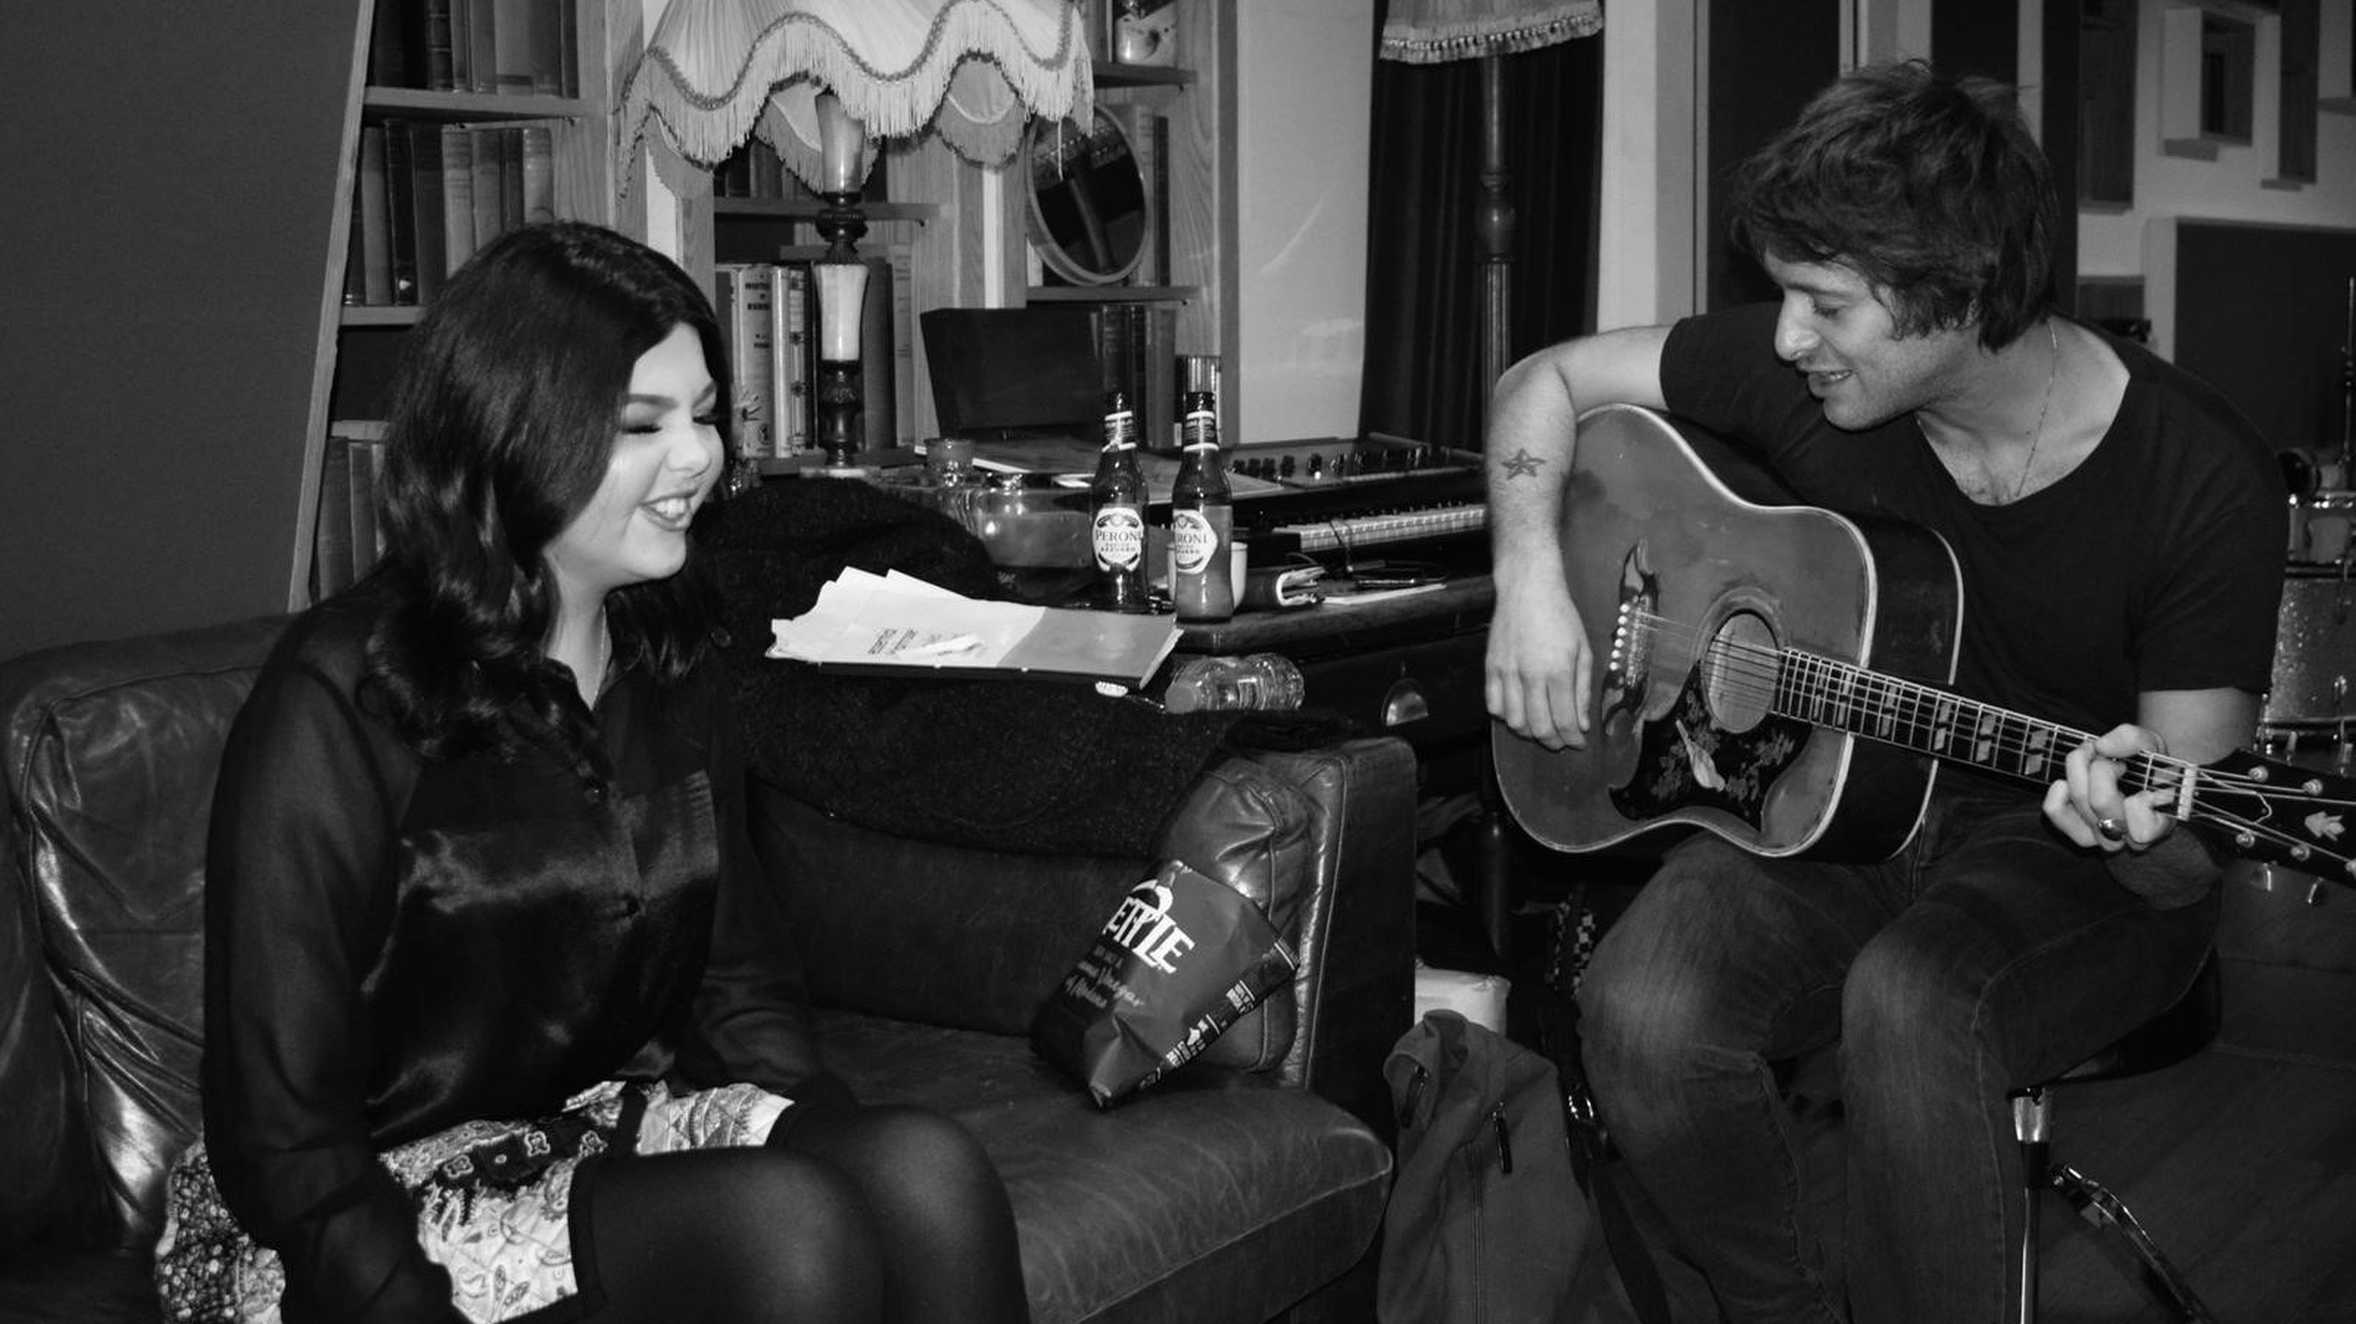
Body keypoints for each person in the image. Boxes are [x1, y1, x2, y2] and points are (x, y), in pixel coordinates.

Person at [1484, 61, 2282, 1323]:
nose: (1788, 338)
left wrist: (2135, 825)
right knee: (1636, 1008)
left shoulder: (2198, 480)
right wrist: (1530, 573)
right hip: (1838, 803)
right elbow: (1544, 381)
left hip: (2075, 867)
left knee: (1911, 999)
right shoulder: (1807, 374)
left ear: (1955, 295)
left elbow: (2188, 855)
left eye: (1825, 305)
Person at [154, 222, 1030, 1324]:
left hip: (586, 1131)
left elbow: (737, 980)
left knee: (921, 1172)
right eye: (641, 425)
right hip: (343, 1202)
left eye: (705, 413)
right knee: (785, 1225)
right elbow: (278, 1124)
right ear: (518, 436)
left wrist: (821, 1143)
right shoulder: (343, 694)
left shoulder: (673, 654)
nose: (699, 458)